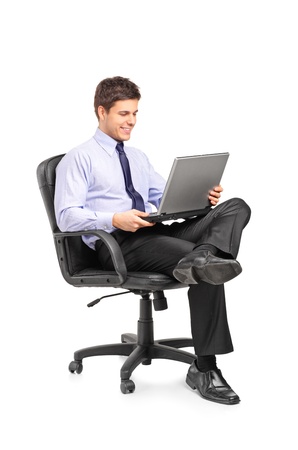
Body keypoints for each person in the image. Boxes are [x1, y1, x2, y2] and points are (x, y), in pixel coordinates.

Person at [54, 76, 251, 405]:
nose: (131, 121)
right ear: (101, 112)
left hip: (154, 233)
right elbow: (67, 216)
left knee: (235, 207)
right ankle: (204, 368)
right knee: (208, 266)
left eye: (134, 113)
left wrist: (201, 199)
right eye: (123, 114)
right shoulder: (79, 158)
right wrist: (114, 218)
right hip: (117, 244)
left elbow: (164, 201)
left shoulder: (137, 157)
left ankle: (200, 256)